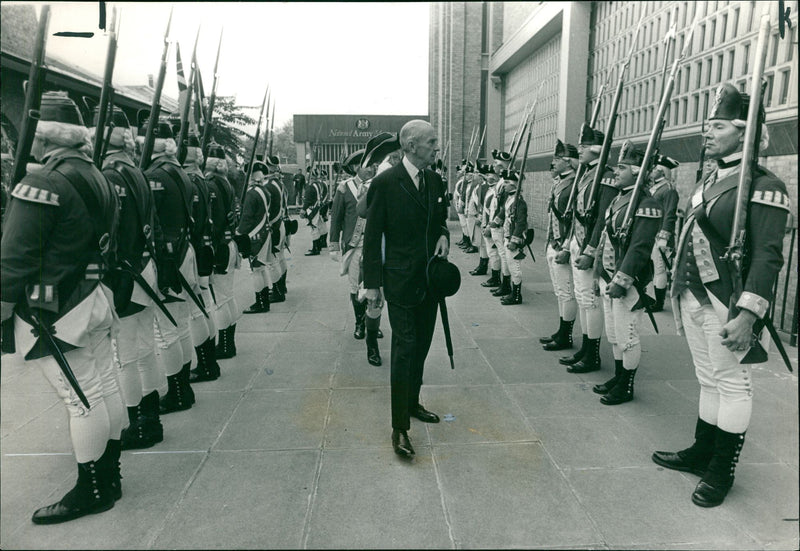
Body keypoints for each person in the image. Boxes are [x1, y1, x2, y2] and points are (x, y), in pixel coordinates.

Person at [652, 83, 790, 508]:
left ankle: (721, 469)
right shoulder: (710, 178)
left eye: (718, 126)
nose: (706, 133)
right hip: (694, 297)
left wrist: (748, 315)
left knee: (733, 384)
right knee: (708, 378)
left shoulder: (765, 185)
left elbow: (768, 257)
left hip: (726, 301)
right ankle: (702, 451)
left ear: (745, 133)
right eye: (707, 126)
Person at [1, 91, 124, 523]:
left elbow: (14, 259)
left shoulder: (43, 182)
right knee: (103, 387)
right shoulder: (97, 174)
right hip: (92, 297)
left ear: (46, 137)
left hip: (56, 311)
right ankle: (109, 477)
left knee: (82, 399)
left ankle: (92, 490)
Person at [363, 120, 449, 459]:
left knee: (422, 345)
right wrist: (372, 284)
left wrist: (443, 235)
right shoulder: (385, 182)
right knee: (404, 349)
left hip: (429, 281)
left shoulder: (435, 180)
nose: (436, 147)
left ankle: (412, 403)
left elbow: (440, 219)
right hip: (399, 281)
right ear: (411, 146)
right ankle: (399, 427)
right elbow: (372, 237)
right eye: (432, 142)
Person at [94, 106, 165, 450]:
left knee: (126, 356)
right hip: (144, 267)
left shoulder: (110, 174)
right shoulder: (135, 171)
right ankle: (151, 419)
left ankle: (137, 423)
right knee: (145, 348)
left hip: (125, 272)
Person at [139, 116, 200, 414]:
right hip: (183, 251)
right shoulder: (179, 171)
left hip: (168, 257)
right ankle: (183, 388)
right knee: (180, 324)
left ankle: (177, 392)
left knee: (166, 331)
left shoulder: (154, 175)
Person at [593, 141, 661, 405]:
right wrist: (599, 273)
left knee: (628, 337)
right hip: (608, 277)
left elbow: (639, 248)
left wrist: (621, 281)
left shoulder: (647, 203)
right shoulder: (619, 200)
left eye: (622, 167)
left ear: (636, 171)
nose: (616, 171)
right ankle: (618, 377)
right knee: (614, 333)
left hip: (630, 283)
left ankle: (627, 385)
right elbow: (604, 239)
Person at [558, 123, 617, 374]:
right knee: (582, 298)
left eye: (584, 146)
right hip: (577, 242)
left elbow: (603, 218)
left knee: (590, 301)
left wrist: (590, 251)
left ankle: (592, 354)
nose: (579, 150)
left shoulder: (605, 176)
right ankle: (585, 348)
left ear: (596, 149)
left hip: (589, 247)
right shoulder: (586, 174)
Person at [182, 132, 221, 383]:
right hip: (205, 248)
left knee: (197, 311)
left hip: (195, 249)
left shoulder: (192, 181)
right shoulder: (202, 180)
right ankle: (209, 362)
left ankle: (207, 364)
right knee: (204, 305)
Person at [541, 140, 579, 351]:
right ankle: (561, 330)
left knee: (566, 292)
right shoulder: (560, 182)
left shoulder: (573, 184)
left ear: (568, 162)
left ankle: (566, 335)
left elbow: (574, 220)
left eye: (557, 159)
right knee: (559, 291)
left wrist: (565, 246)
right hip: (553, 242)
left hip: (563, 244)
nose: (553, 162)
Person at [204, 142, 241, 359]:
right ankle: (229, 343)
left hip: (220, 246)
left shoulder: (210, 184)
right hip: (229, 243)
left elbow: (214, 221)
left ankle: (225, 345)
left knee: (219, 300)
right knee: (227, 296)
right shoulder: (226, 183)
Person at [235, 161, 273, 314]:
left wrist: (239, 232)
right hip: (264, 233)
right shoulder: (264, 190)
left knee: (255, 270)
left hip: (255, 235)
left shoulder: (251, 193)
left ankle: (260, 303)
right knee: (261, 268)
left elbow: (247, 218)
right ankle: (265, 301)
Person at [647, 155, 680, 312]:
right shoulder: (655, 188)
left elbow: (670, 215)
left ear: (662, 170)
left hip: (660, 236)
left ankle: (658, 303)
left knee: (660, 269)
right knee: (653, 269)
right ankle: (652, 298)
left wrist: (664, 237)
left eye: (655, 168)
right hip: (651, 235)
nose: (652, 171)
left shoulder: (669, 190)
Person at [499, 169, 528, 305]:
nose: (503, 185)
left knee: (515, 267)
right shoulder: (510, 199)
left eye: (506, 182)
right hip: (507, 236)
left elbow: (521, 223)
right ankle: (511, 291)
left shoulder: (519, 202)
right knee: (509, 265)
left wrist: (514, 240)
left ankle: (517, 295)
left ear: (513, 184)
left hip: (514, 240)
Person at [263, 155, 288, 303]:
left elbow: (270, 210)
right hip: (281, 223)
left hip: (274, 225)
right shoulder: (278, 183)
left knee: (273, 260)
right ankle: (282, 286)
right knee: (280, 257)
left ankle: (278, 291)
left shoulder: (268, 185)